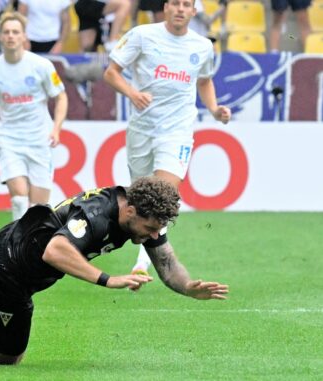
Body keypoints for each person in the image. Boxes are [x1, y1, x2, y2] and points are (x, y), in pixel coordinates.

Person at [0, 176, 230, 365]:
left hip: (21, 272)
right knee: (6, 358)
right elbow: (56, 250)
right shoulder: (97, 214)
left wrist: (187, 287)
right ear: (131, 211)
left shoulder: (144, 215)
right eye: (152, 227)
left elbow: (167, 263)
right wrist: (107, 280)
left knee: (8, 355)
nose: (155, 235)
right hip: (3, 271)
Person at [103, 0, 231, 277]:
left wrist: (214, 108)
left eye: (187, 4)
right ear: (166, 7)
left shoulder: (202, 45)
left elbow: (205, 80)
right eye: (175, 3)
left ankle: (144, 259)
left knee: (163, 194)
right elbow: (111, 72)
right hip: (142, 129)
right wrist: (132, 93)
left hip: (177, 131)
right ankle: (133, 246)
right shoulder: (142, 35)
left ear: (194, 11)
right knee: (139, 196)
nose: (180, 9)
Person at [0, 11, 68, 221]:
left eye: (15, 32)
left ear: (24, 36)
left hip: (40, 138)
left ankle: (35, 248)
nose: (11, 36)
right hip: (10, 139)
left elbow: (61, 97)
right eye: (6, 32)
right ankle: (18, 246)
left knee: (39, 207)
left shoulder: (41, 65)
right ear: (0, 36)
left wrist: (56, 128)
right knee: (19, 198)